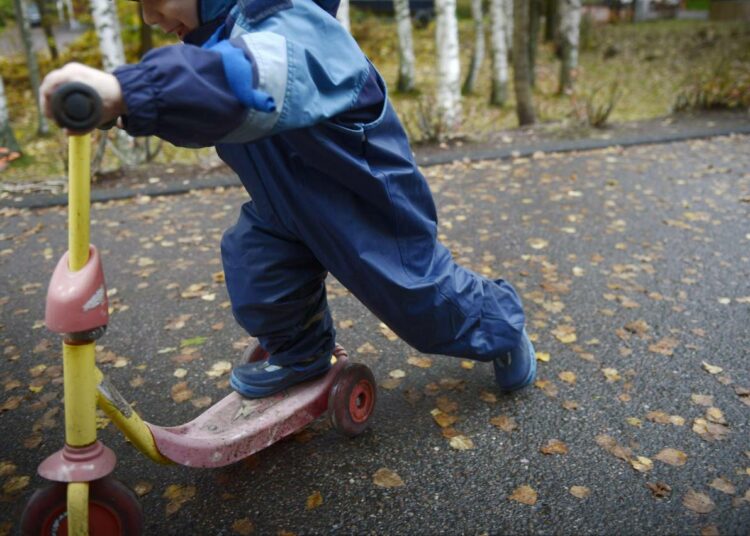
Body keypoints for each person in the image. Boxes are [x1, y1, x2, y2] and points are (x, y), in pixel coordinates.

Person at [39, 0, 537, 399]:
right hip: (282, 205)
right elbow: (206, 109)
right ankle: (301, 354)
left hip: (363, 205)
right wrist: (126, 108)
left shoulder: (295, 26)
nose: (149, 15)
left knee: (424, 306)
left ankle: (500, 324)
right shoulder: (215, 41)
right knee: (257, 269)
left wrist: (136, 90)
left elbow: (247, 83)